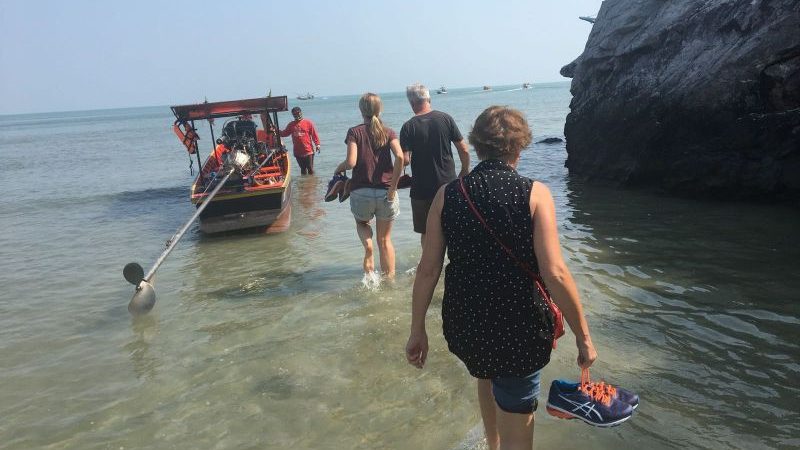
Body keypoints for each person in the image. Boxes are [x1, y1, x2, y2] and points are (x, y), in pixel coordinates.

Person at [405, 106, 598, 450]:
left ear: (477, 145)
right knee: (517, 413)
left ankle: (492, 445)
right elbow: (554, 272)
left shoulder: (446, 195)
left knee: (486, 373)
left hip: (468, 324)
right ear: (520, 146)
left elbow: (428, 269)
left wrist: (417, 329)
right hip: (518, 327)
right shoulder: (535, 193)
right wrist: (584, 336)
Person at [333, 93, 404, 279]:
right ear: (380, 109)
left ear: (360, 110)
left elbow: (351, 162)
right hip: (386, 193)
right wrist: (393, 187)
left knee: (362, 223)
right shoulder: (389, 132)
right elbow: (400, 157)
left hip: (361, 192)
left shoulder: (354, 132)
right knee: (385, 240)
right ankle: (389, 282)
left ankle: (368, 246)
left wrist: (337, 169)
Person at [400, 83, 469, 246]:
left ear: (412, 103)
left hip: (421, 189)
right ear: (429, 99)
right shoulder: (446, 118)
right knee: (452, 229)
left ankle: (428, 267)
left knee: (426, 233)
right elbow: (464, 150)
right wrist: (464, 170)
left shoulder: (408, 127)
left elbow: (405, 160)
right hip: (447, 186)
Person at [279, 106, 321, 175]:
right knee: (303, 169)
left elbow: (314, 134)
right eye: (294, 114)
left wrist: (317, 144)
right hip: (297, 152)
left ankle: (312, 184)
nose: (297, 115)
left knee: (310, 168)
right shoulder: (291, 125)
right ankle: (304, 185)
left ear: (301, 113)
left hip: (308, 151)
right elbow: (284, 133)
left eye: (298, 113)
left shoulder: (308, 123)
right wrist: (276, 130)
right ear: (293, 115)